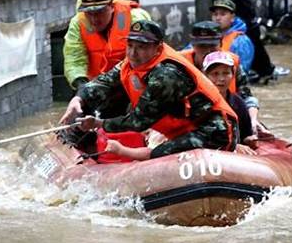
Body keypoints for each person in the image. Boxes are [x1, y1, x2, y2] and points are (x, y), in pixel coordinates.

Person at [59, 20, 239, 160]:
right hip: (182, 129)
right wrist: (78, 99)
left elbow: (138, 121)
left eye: (142, 47)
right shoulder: (130, 63)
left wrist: (98, 124)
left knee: (161, 153)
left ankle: (128, 154)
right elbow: (104, 83)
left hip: (214, 130)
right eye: (130, 46)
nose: (133, 53)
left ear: (158, 48)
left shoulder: (166, 75)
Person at [181, 20, 267, 135]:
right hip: (190, 121)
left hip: (229, 118)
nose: (208, 51)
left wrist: (253, 120)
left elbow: (247, 97)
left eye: (212, 46)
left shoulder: (232, 65)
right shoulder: (178, 66)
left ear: (221, 43)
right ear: (193, 45)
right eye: (202, 46)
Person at [63, 0, 151, 91]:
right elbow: (74, 59)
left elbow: (145, 57)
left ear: (111, 7)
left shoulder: (135, 18)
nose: (94, 19)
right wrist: (81, 85)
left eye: (100, 12)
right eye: (89, 13)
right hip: (96, 88)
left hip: (131, 84)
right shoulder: (77, 23)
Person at [202, 51, 257, 155]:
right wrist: (233, 146)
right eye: (215, 74)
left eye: (226, 73)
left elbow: (246, 135)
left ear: (233, 74)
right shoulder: (196, 103)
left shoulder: (239, 104)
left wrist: (249, 140)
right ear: (205, 76)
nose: (221, 79)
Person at [210, 0, 254, 72]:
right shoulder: (207, 36)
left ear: (232, 17)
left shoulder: (241, 41)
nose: (218, 18)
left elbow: (242, 70)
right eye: (215, 14)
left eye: (223, 14)